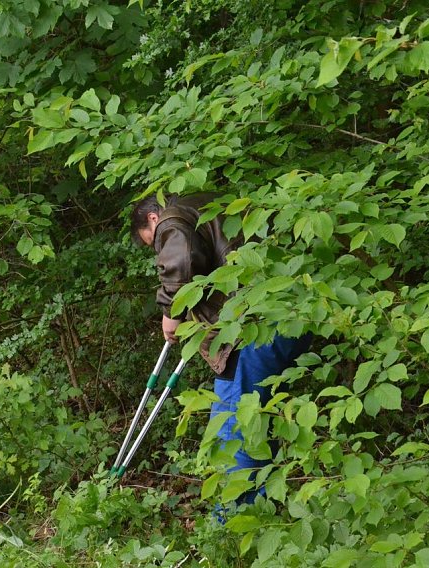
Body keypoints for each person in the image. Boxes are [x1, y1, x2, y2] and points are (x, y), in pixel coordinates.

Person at [130, 193, 312, 505]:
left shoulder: (172, 217)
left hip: (249, 332)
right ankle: (262, 516)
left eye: (152, 242)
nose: (157, 247)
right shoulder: (211, 205)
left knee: (233, 433)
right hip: (292, 317)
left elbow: (181, 260)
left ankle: (232, 525)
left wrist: (170, 312)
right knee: (258, 426)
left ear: (152, 219)